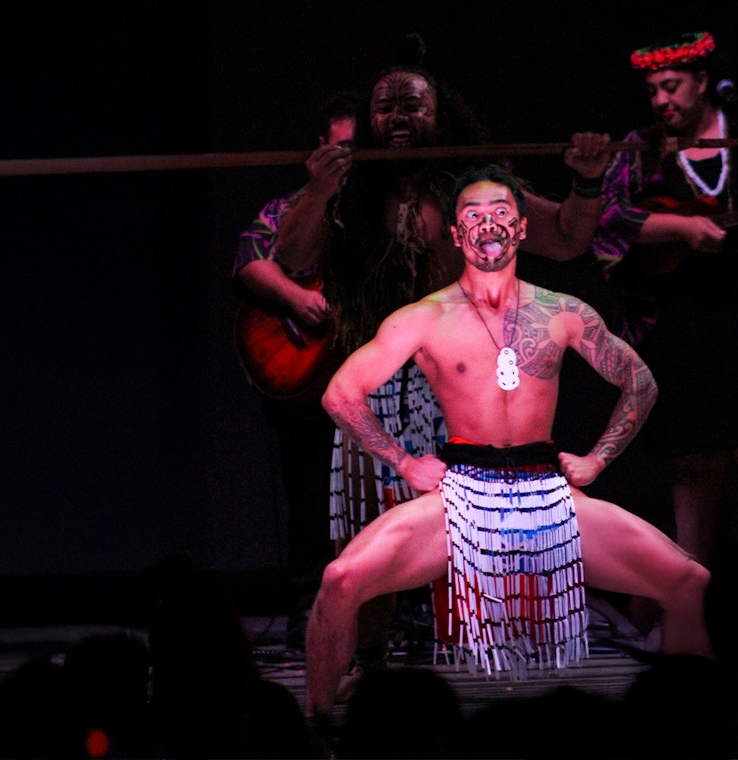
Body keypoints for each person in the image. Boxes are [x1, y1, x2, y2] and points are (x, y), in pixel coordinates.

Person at [306, 165, 714, 732]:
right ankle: (312, 733)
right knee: (340, 581)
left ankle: (693, 735)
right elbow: (341, 393)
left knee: (688, 582)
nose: (488, 223)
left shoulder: (562, 311)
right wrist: (403, 461)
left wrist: (598, 458)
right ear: (456, 235)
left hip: (546, 492)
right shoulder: (424, 317)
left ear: (522, 228)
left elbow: (640, 382)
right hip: (462, 496)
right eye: (473, 214)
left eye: (501, 211)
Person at [276, 40, 616, 686]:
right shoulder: (348, 192)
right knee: (367, 539)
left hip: (462, 387)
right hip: (378, 389)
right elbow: (292, 256)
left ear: (441, 115)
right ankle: (371, 669)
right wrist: (318, 189)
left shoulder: (475, 189)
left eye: (413, 105)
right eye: (385, 107)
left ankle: (503, 669)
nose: (399, 118)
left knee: (490, 536)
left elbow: (568, 237)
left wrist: (587, 181)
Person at [592, 30, 738, 567]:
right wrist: (680, 227)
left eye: (671, 86)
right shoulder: (642, 147)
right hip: (683, 327)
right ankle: (691, 603)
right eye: (652, 91)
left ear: (702, 82)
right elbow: (608, 216)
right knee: (694, 464)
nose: (661, 101)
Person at [231, 89, 359, 647]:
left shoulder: (390, 209)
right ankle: (310, 610)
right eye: (340, 149)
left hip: (378, 385)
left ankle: (392, 615)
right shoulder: (290, 207)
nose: (349, 160)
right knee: (310, 495)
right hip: (309, 383)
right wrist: (296, 297)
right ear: (319, 149)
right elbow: (248, 261)